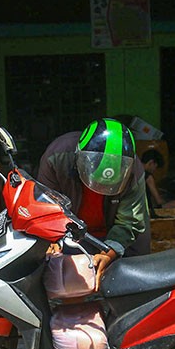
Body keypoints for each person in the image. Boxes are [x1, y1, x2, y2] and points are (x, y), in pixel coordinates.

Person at [38, 118, 151, 291]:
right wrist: (51, 239)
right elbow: (43, 207)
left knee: (134, 283)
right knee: (65, 281)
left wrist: (109, 253)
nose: (99, 191)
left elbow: (130, 222)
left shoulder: (133, 170)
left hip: (120, 232)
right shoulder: (57, 157)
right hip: (73, 232)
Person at [141, 149, 175, 215]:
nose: (154, 170)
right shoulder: (148, 177)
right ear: (151, 162)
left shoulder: (134, 170)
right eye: (155, 167)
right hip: (146, 211)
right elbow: (158, 201)